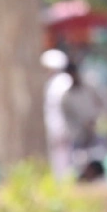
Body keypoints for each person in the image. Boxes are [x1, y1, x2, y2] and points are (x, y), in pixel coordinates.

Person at [41, 48, 74, 179]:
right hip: (55, 127)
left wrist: (63, 128)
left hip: (63, 127)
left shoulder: (63, 82)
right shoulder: (52, 83)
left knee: (65, 157)